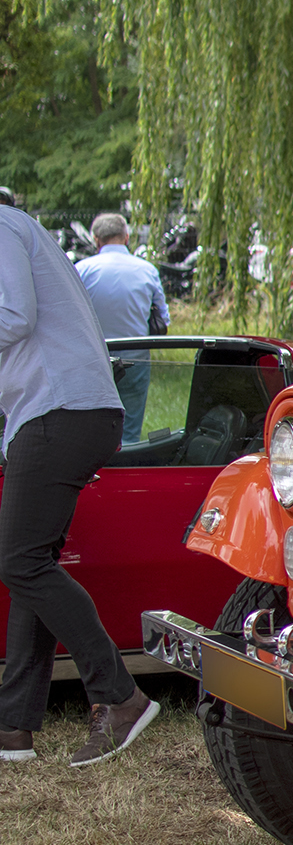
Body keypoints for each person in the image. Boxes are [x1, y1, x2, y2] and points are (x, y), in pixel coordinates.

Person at [0, 204, 157, 766]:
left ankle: (119, 697)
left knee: (20, 562)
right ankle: (12, 729)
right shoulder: (18, 228)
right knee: (31, 565)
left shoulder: (0, 226)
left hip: (59, 410)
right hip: (59, 409)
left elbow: (12, 316)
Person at [75, 212, 169, 445]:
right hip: (136, 358)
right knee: (130, 425)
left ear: (96, 239)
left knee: (91, 421)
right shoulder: (147, 270)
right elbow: (162, 320)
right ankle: (125, 462)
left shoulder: (81, 270)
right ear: (126, 237)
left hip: (93, 358)